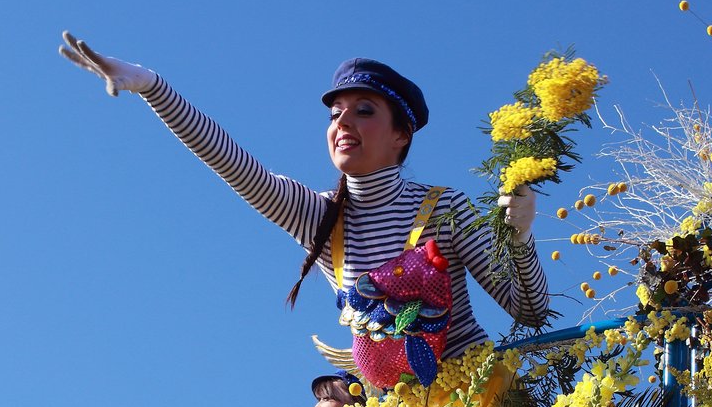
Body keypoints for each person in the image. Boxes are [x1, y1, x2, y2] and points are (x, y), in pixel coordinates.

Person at [58, 34, 550, 388]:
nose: (343, 123)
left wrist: (521, 239)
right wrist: (152, 87)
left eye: (364, 110)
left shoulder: (446, 208)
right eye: (335, 113)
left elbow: (529, 312)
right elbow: (232, 162)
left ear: (402, 134)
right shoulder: (318, 218)